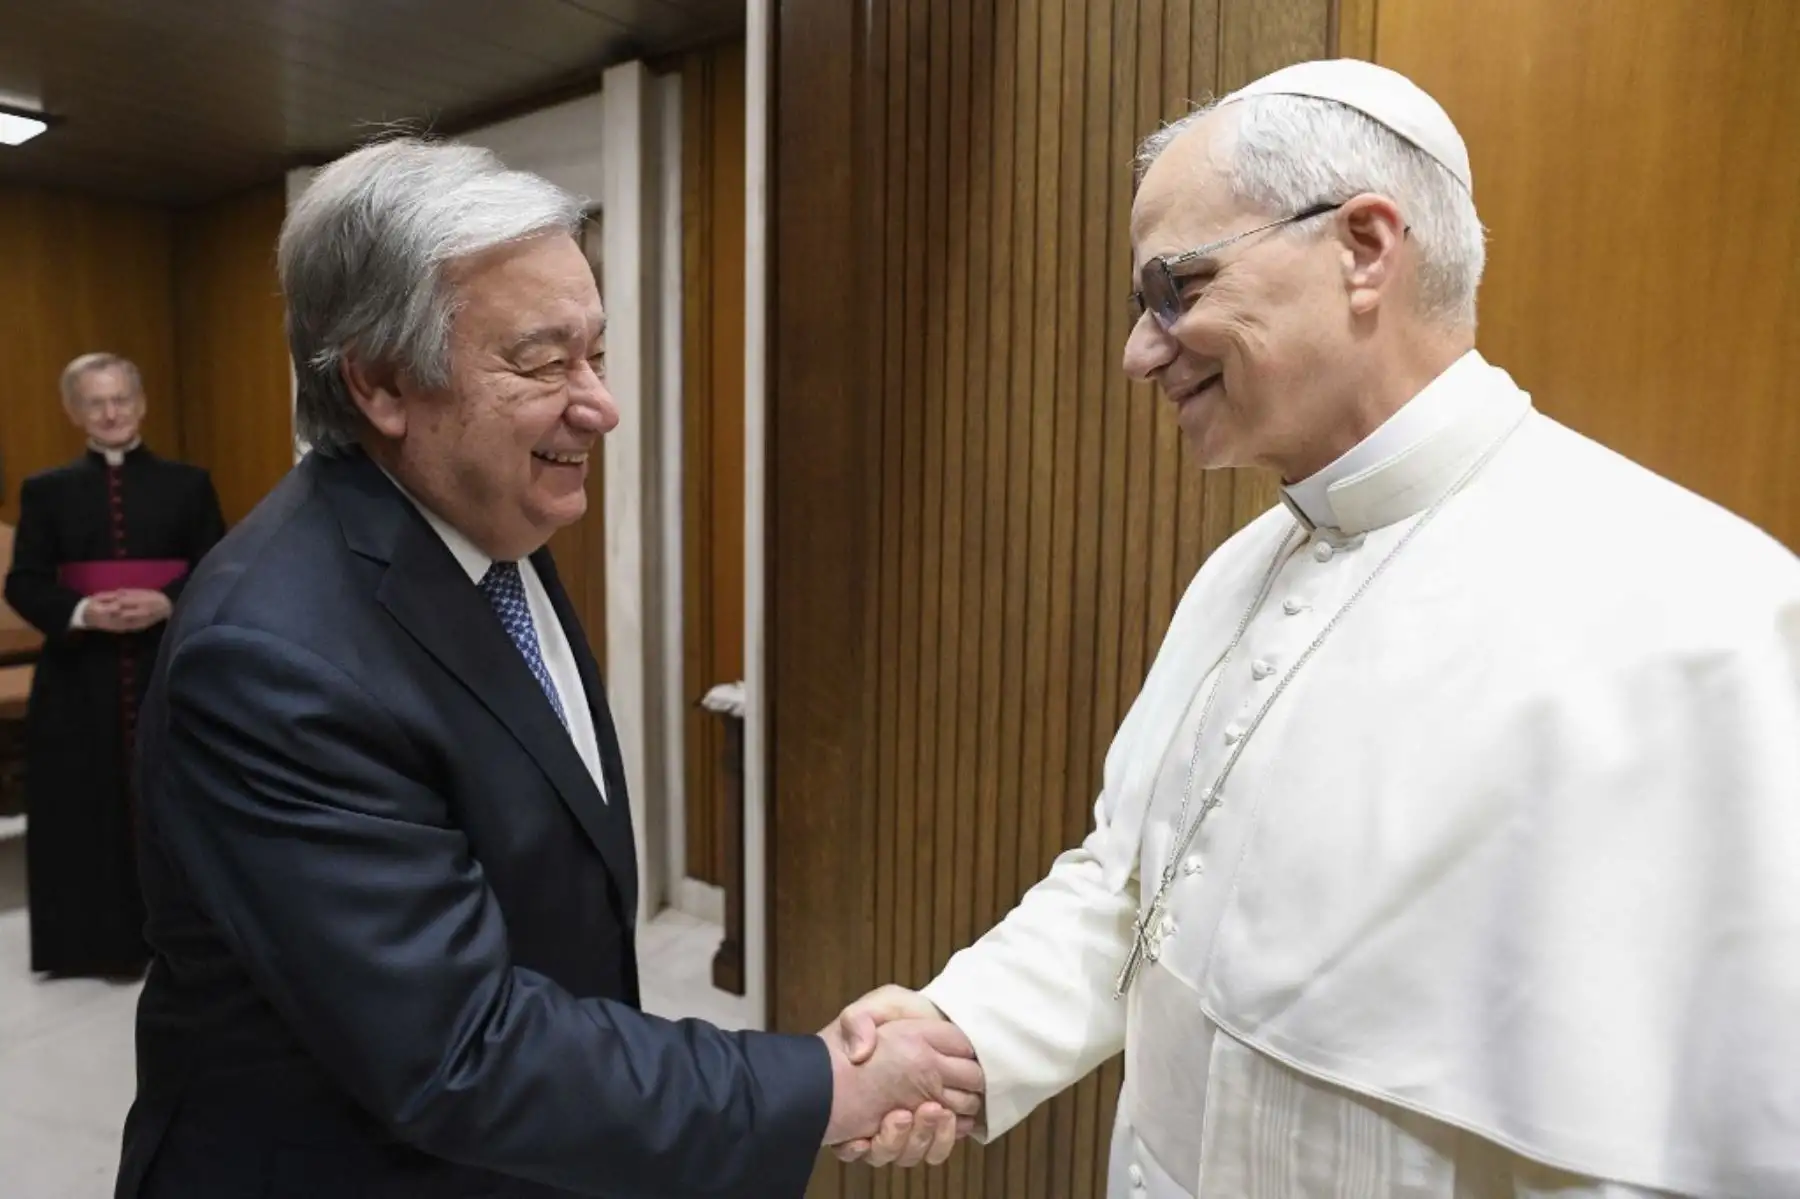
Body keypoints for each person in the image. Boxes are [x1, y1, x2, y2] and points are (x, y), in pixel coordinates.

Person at [830, 58, 1800, 1197]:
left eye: (1175, 288)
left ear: (1364, 247)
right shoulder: (1244, 567)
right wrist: (965, 1030)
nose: (1142, 350)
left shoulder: (1704, 609)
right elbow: (1137, 885)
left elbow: (1732, 1117)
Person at [115, 137, 981, 1199]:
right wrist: (819, 1085)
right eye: (540, 361)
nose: (599, 405)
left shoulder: (486, 524)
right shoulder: (270, 657)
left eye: (597, 354)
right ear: (383, 381)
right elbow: (458, 1046)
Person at [3, 354, 225, 979]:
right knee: (84, 806)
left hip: (166, 664)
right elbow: (23, 583)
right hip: (80, 675)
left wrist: (164, 602)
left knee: (174, 800)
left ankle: (187, 940)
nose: (111, 413)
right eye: (95, 402)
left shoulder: (189, 483)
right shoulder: (46, 492)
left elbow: (217, 568)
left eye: (121, 399)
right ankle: (93, 945)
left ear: (142, 403)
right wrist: (80, 613)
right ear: (74, 412)